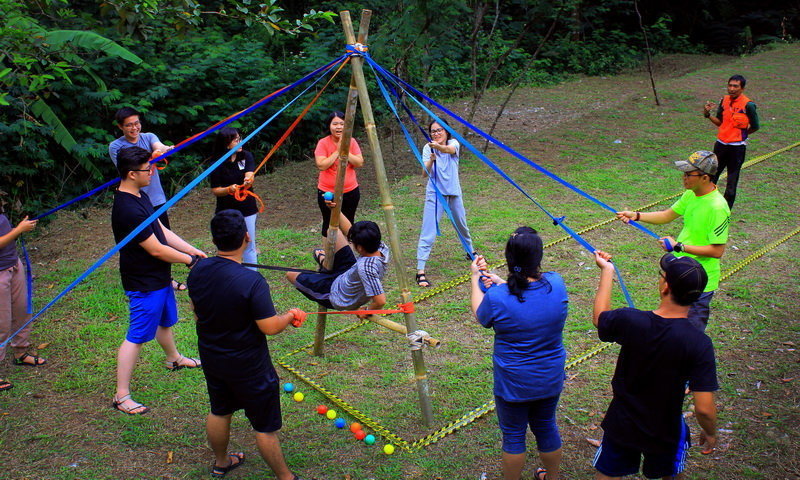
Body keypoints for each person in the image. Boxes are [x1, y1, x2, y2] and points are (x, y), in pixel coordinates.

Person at [187, 210, 308, 480]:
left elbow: (196, 312)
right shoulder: (252, 281)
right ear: (246, 237)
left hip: (213, 357)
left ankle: (221, 462)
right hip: (248, 365)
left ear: (215, 238)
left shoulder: (198, 270)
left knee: (220, 409)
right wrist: (289, 316)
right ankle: (286, 478)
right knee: (265, 427)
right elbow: (269, 327)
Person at [591, 250, 719, 480]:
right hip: (665, 427)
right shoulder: (699, 343)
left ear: (665, 288)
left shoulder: (631, 321)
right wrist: (710, 432)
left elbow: (600, 318)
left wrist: (607, 271)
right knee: (670, 472)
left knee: (609, 472)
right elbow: (704, 408)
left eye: (663, 275)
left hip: (623, 422)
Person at [111, 146, 206, 415]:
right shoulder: (127, 208)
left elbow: (161, 230)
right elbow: (154, 248)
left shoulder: (138, 195)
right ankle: (121, 395)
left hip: (158, 276)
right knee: (137, 336)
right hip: (143, 280)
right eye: (147, 168)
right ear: (131, 173)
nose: (152, 171)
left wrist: (191, 249)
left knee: (164, 320)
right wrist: (189, 261)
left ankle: (173, 359)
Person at [470, 227, 566, 480]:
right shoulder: (556, 284)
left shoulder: (499, 297)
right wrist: (504, 284)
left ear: (509, 257)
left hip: (513, 383)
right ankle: (552, 477)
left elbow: (482, 314)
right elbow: (527, 295)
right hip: (549, 378)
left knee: (513, 435)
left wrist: (475, 278)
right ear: (538, 257)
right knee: (546, 427)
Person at [616, 150, 730, 332]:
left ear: (705, 178)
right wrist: (636, 216)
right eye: (684, 173)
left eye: (688, 174)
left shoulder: (717, 207)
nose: (684, 178)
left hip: (700, 281)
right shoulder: (691, 194)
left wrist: (679, 246)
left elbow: (717, 251)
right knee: (672, 326)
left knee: (690, 333)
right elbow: (666, 215)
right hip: (680, 271)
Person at [109, 107, 185, 291]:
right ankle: (155, 278)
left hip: (155, 198)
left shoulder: (148, 136)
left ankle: (166, 278)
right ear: (121, 127)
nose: (135, 128)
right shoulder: (116, 146)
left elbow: (157, 146)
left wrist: (161, 150)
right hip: (134, 199)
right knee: (145, 242)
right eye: (129, 125)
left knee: (162, 236)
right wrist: (152, 157)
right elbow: (127, 165)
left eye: (137, 123)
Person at [286, 204, 389, 315]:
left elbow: (380, 301)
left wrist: (366, 312)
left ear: (359, 247)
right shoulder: (381, 247)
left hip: (336, 294)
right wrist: (335, 209)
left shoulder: (366, 268)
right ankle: (325, 262)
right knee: (333, 232)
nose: (351, 241)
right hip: (349, 273)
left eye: (352, 241)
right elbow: (349, 230)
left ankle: (324, 264)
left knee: (291, 274)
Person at [415, 119, 474, 288]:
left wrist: (438, 148)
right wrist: (431, 159)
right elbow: (424, 173)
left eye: (439, 130)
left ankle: (470, 251)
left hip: (454, 192)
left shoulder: (453, 143)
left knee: (461, 225)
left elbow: (449, 150)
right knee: (429, 230)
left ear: (446, 131)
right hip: (435, 193)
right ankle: (420, 270)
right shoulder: (428, 148)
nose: (436, 133)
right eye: (433, 131)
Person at [0, 211, 46, 392]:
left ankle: (20, 352)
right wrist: (18, 230)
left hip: (13, 265)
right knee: (1, 324)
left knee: (22, 311)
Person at [702, 74, 760, 209]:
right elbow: (720, 122)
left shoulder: (748, 105)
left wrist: (742, 136)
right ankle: (707, 204)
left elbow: (756, 126)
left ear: (742, 88)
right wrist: (707, 114)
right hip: (720, 145)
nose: (732, 89)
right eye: (730, 85)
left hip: (737, 148)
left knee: (731, 182)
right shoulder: (724, 101)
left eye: (735, 86)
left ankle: (726, 210)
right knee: (712, 177)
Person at [209, 127, 259, 270]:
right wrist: (228, 189)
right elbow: (215, 190)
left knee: (249, 245)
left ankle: (252, 275)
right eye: (236, 140)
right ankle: (230, 273)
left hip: (247, 208)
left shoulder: (246, 156)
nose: (240, 142)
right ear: (227, 144)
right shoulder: (216, 164)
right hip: (226, 211)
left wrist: (249, 180)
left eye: (240, 138)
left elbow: (250, 174)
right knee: (228, 246)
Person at [314, 111, 364, 237]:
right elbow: (321, 165)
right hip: (327, 192)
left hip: (350, 191)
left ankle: (347, 252)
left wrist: (345, 150)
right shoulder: (323, 143)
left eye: (342, 124)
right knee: (329, 224)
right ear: (329, 126)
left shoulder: (351, 142)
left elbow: (359, 162)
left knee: (348, 223)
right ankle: (330, 255)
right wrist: (337, 151)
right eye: (335, 124)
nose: (339, 127)